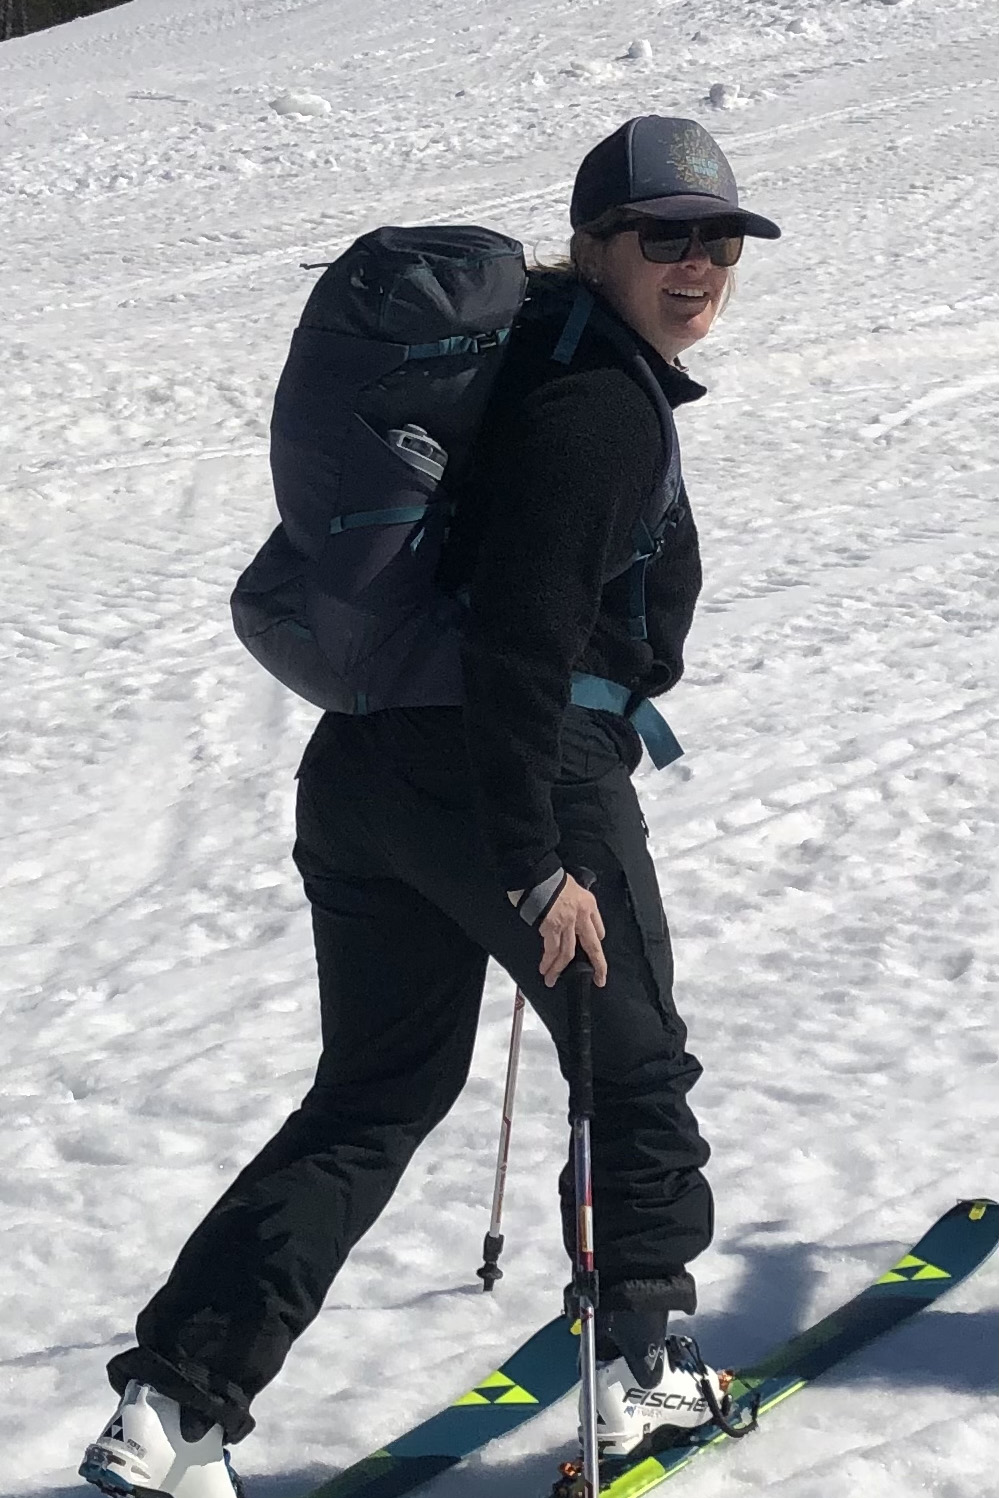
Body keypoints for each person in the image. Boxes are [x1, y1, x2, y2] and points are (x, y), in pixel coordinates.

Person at [80, 116, 780, 1497]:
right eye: (663, 237)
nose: (696, 265)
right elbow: (525, 638)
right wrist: (533, 862)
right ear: (593, 247)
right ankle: (643, 1374)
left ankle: (172, 1407)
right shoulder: (598, 407)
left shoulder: (535, 368)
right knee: (633, 1065)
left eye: (718, 239)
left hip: (368, 773)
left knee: (375, 1091)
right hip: (515, 771)